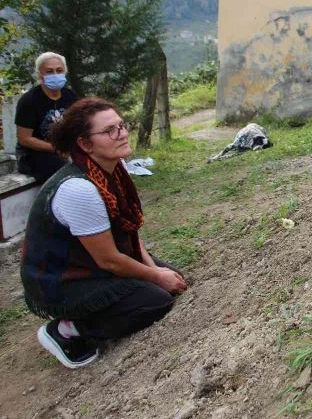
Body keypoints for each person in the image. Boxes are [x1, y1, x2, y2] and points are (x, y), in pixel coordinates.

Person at [20, 98, 187, 369]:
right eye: (109, 131)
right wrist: (155, 276)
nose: (121, 134)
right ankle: (66, 330)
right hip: (62, 279)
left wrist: (153, 269)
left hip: (95, 259)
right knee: (155, 301)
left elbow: (128, 229)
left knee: (172, 278)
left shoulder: (114, 170)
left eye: (121, 126)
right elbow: (108, 260)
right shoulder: (79, 189)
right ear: (85, 144)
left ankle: (113, 301)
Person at [14, 52, 79, 182]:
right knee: (62, 169)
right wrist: (57, 149)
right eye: (49, 71)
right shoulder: (29, 101)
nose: (55, 74)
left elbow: (79, 124)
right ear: (40, 74)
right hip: (35, 153)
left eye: (59, 70)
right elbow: (24, 139)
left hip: (64, 148)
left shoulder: (70, 95)